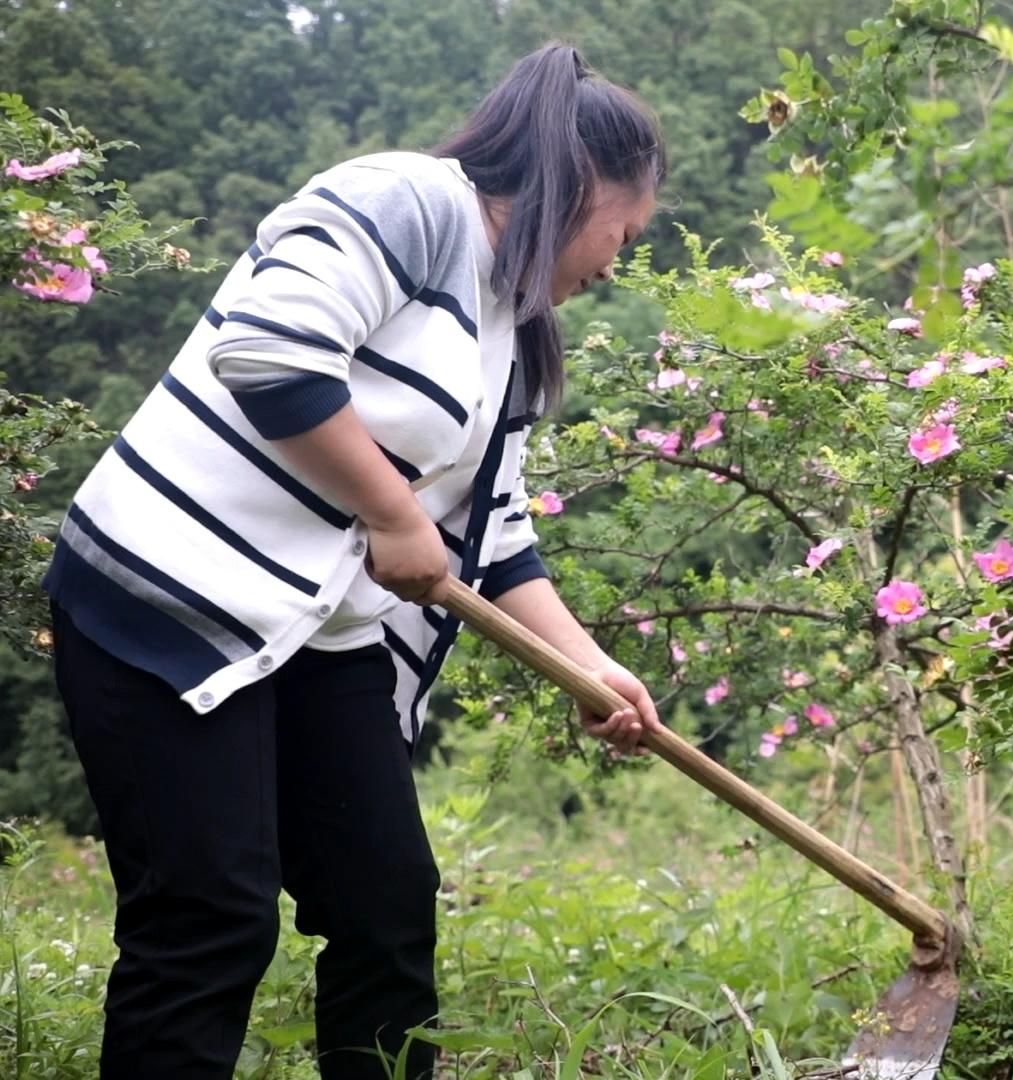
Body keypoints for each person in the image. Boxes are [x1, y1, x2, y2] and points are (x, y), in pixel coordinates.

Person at [40, 42, 667, 1079]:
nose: (616, 265)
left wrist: (588, 666)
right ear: (588, 188)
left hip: (318, 639)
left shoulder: (511, 327)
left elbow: (490, 532)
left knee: (386, 909)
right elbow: (269, 351)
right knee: (210, 922)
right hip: (167, 601)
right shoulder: (408, 199)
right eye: (627, 234)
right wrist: (388, 509)